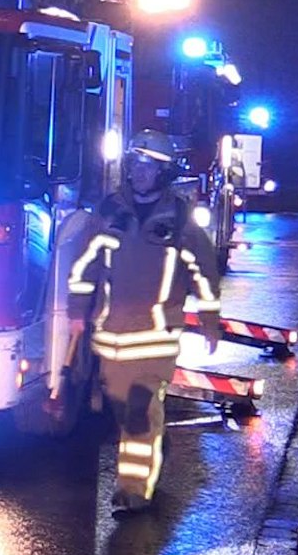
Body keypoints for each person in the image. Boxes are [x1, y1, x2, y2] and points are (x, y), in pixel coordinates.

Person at [69, 129, 224, 515]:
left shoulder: (180, 221)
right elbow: (84, 267)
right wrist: (76, 310)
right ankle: (156, 440)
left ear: (165, 173)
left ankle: (133, 490)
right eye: (135, 163)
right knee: (122, 411)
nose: (139, 172)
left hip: (156, 335)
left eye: (149, 166)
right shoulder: (109, 214)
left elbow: (203, 270)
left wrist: (209, 317)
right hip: (111, 335)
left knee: (138, 410)